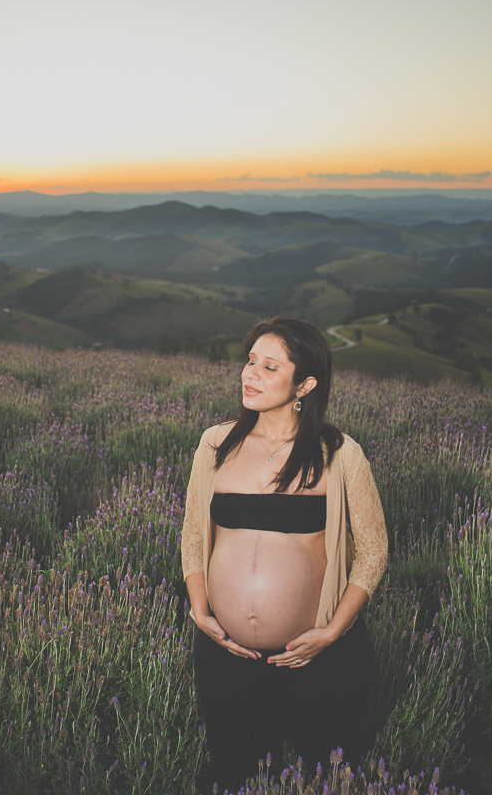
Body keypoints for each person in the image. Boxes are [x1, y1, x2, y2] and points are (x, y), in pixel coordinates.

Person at [180, 316, 388, 793]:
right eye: (250, 361)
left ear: (305, 384)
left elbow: (374, 551)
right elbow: (193, 535)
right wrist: (201, 610)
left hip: (316, 657)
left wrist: (332, 633)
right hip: (227, 655)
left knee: (327, 773)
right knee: (234, 774)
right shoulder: (215, 444)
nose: (250, 375)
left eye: (270, 367)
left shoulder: (338, 453)